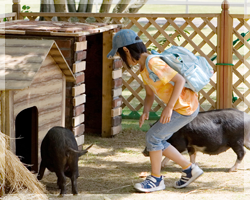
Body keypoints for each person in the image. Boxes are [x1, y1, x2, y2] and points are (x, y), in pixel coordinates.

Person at [107, 29, 203, 193]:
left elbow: (179, 80)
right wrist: (146, 110)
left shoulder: (153, 63)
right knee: (156, 139)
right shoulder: (144, 68)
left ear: (126, 50)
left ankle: (157, 179)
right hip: (182, 106)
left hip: (185, 107)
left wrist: (169, 107)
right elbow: (150, 93)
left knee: (153, 137)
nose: (123, 61)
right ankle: (189, 169)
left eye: (121, 57)